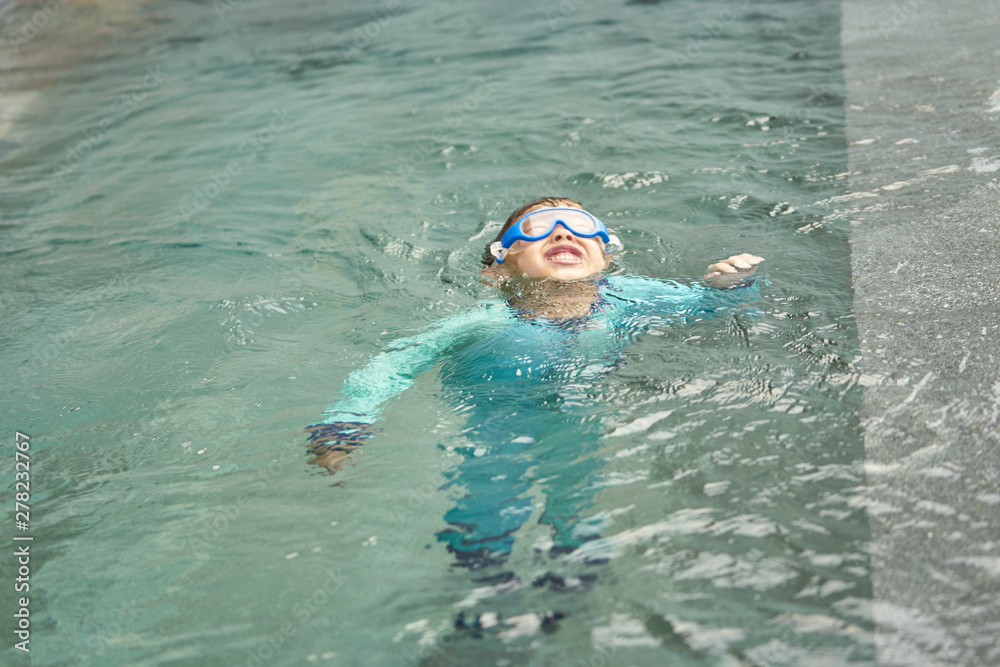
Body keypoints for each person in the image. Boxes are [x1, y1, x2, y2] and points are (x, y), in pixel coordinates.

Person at [306, 196, 763, 571]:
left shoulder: (632, 296)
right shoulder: (485, 320)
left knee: (577, 507)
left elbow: (706, 309)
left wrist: (731, 288)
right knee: (487, 506)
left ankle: (572, 590)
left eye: (580, 226)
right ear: (498, 269)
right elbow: (395, 363)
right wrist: (345, 422)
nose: (562, 234)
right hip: (495, 420)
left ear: (606, 256)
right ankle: (482, 595)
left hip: (580, 414)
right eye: (538, 227)